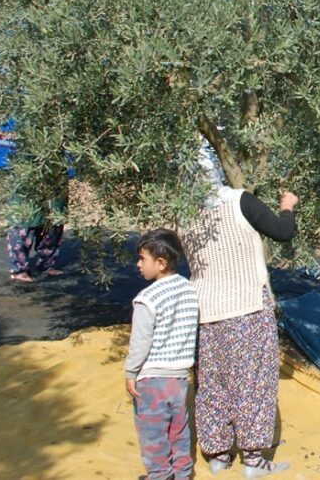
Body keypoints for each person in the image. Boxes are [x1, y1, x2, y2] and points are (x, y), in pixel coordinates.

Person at [182, 145, 296, 477]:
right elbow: (283, 231)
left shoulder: (182, 212)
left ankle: (217, 456)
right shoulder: (239, 200)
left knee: (212, 381)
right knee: (253, 381)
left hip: (206, 309)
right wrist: (287, 207)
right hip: (247, 305)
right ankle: (253, 461)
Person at [125, 228, 199, 480]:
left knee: (153, 432)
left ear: (160, 263)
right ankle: (182, 473)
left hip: (152, 379)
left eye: (142, 259)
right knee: (178, 429)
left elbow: (140, 342)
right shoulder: (189, 289)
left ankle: (159, 475)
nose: (138, 264)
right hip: (179, 378)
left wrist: (131, 372)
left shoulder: (147, 298)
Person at [6, 183, 68, 282]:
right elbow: (0, 167)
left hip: (53, 194)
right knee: (21, 235)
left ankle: (46, 265)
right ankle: (19, 271)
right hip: (25, 194)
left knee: (52, 234)